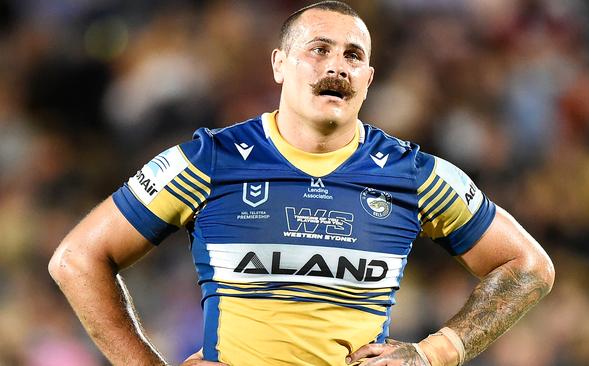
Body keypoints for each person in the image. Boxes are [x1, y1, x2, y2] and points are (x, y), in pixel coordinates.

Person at [49, 1, 555, 365]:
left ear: (368, 79)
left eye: (354, 56)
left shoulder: (412, 174)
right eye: (319, 49)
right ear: (279, 64)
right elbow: (76, 259)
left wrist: (435, 353)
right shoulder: (211, 160)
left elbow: (529, 267)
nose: (337, 65)